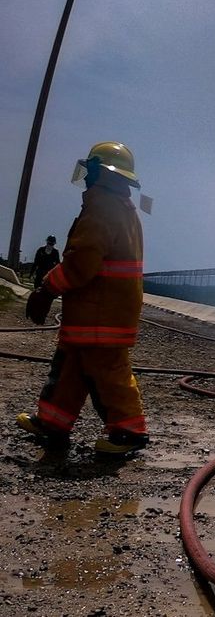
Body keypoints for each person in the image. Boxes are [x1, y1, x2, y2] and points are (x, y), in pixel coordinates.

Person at [17, 142, 147, 454]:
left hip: (101, 312)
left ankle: (129, 432)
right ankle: (53, 422)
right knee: (70, 367)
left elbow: (82, 262)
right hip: (99, 311)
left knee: (108, 371)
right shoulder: (119, 207)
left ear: (101, 172)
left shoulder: (103, 207)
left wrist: (46, 290)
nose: (85, 177)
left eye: (89, 170)